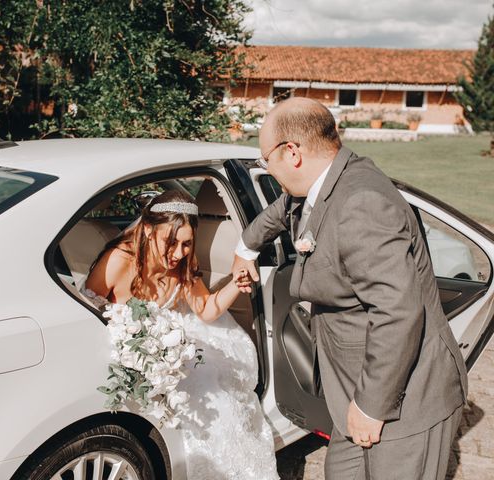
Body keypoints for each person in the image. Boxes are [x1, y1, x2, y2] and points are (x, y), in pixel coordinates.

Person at [232, 97, 467, 480]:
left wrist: (372, 406)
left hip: (402, 400)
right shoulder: (328, 177)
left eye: (265, 160)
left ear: (291, 152)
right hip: (350, 393)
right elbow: (284, 210)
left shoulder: (362, 203)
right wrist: (246, 248)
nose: (266, 168)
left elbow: (398, 313)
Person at [84, 189, 279, 480]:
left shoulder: (184, 264)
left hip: (171, 349)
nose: (178, 253)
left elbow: (206, 309)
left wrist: (236, 285)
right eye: (170, 242)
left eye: (187, 244)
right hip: (126, 350)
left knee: (215, 399)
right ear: (148, 229)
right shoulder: (118, 260)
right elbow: (88, 309)